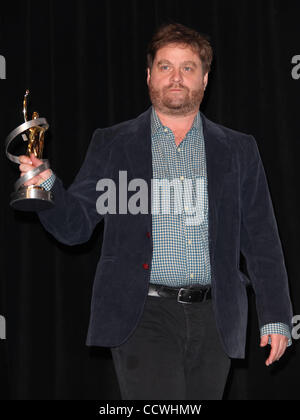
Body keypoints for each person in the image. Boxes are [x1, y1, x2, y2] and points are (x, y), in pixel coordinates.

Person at [18, 23, 293, 400]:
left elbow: (262, 239)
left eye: (188, 67)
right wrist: (46, 184)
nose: (176, 77)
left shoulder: (239, 149)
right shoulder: (113, 143)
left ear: (205, 78)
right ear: (149, 76)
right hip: (142, 314)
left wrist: (276, 314)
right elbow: (76, 226)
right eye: (165, 67)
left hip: (217, 319)